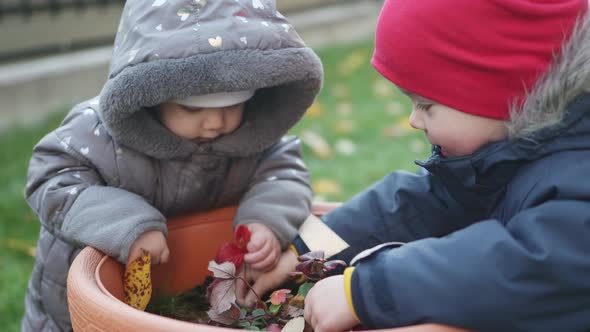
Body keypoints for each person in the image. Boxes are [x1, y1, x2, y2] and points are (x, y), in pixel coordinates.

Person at [237, 0, 590, 331]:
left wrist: (368, 290)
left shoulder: (578, 172)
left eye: (426, 105)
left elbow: (531, 265)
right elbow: (412, 205)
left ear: (507, 93)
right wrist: (304, 251)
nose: (413, 120)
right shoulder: (505, 155)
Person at [21, 0, 323, 330]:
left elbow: (283, 171)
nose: (214, 122)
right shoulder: (95, 133)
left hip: (193, 289)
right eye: (192, 110)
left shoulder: (255, 131)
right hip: (80, 305)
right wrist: (126, 224)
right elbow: (52, 177)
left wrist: (267, 221)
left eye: (233, 105)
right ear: (150, 98)